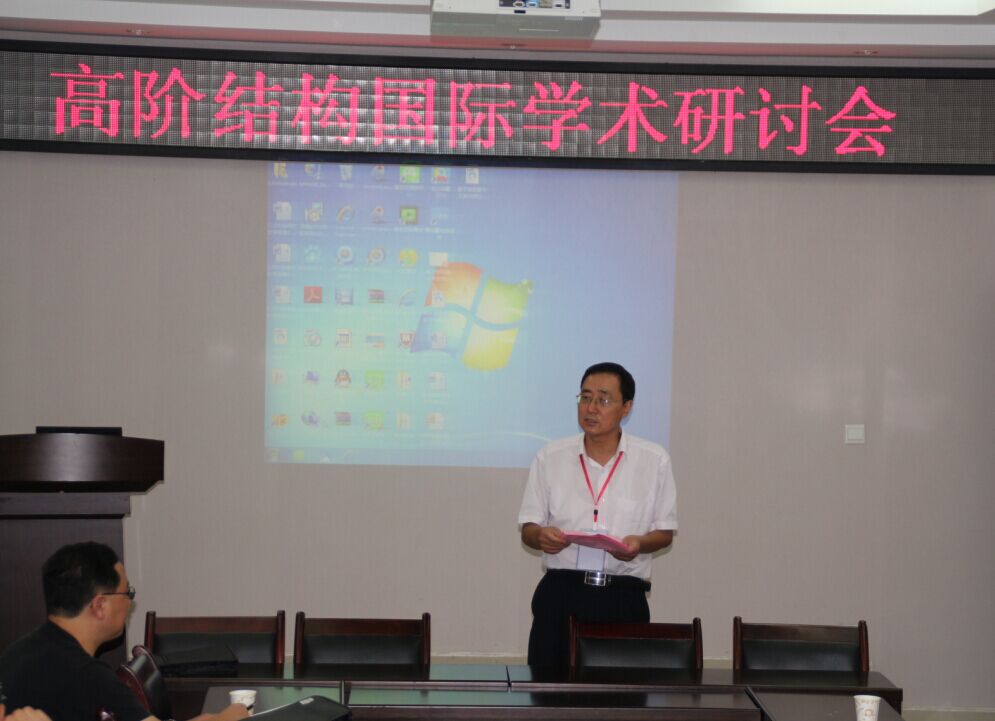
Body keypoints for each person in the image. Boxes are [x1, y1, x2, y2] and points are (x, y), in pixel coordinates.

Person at [518, 362, 678, 667]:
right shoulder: (550, 457)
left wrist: (639, 544)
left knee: (620, 691)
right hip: (561, 594)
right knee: (547, 689)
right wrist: (541, 536)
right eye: (585, 397)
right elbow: (528, 528)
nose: (591, 408)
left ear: (626, 407)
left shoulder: (654, 460)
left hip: (623, 596)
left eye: (603, 400)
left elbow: (665, 532)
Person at [0, 542, 248, 721]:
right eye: (127, 592)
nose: (129, 602)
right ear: (100, 605)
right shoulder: (87, 675)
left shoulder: (16, 653)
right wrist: (227, 718)